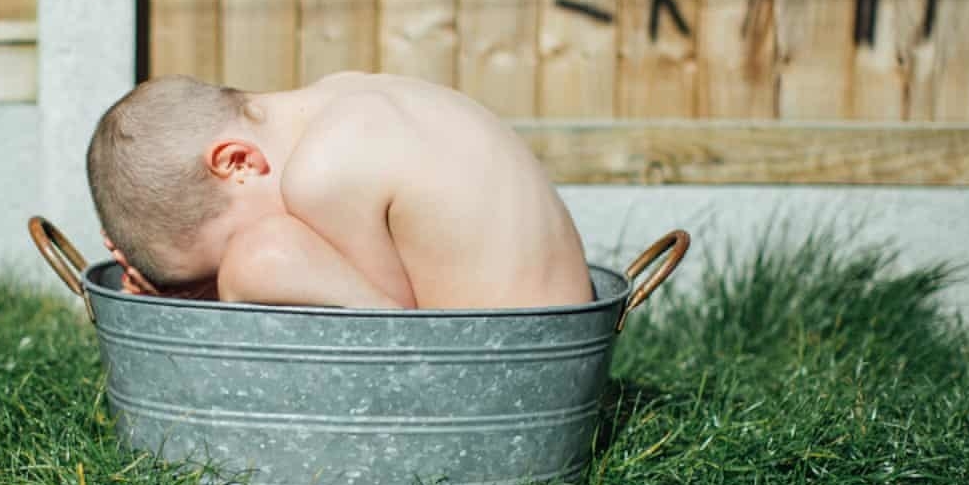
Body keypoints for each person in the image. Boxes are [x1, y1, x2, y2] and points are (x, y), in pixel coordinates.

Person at [86, 72, 594, 310]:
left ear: (238, 163)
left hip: (495, 381)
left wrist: (227, 285)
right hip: (560, 344)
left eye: (212, 262)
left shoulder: (323, 173)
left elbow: (385, 335)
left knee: (261, 259)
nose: (215, 279)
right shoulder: (342, 96)